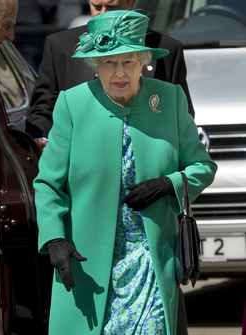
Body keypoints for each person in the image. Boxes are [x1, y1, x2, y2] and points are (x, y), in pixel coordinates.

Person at [33, 10, 217, 335]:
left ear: (144, 61)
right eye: (108, 63)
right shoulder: (72, 104)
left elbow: (203, 166)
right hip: (88, 262)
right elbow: (49, 183)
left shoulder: (169, 99)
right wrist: (54, 237)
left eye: (128, 62)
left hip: (151, 262)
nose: (119, 73)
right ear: (94, 65)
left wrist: (168, 184)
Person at [25, 0, 195, 152]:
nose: (103, 14)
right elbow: (43, 107)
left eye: (113, 7)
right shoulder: (60, 46)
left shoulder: (168, 49)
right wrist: (43, 141)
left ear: (131, 4)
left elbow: (181, 114)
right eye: (97, 7)